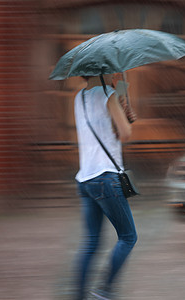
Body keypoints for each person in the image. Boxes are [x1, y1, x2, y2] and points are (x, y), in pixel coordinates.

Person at [73, 74, 137, 300]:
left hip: (85, 179)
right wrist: (125, 116)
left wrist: (119, 113)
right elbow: (125, 134)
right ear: (103, 70)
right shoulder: (109, 94)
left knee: (91, 243)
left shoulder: (79, 97)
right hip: (106, 177)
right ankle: (104, 292)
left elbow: (103, 129)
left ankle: (78, 296)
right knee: (128, 237)